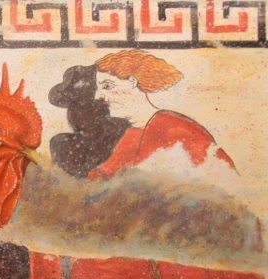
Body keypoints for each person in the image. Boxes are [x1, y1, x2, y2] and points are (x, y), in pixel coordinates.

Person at [87, 50, 237, 181]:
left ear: (132, 82)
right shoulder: (133, 134)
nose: (98, 96)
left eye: (107, 86)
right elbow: (104, 175)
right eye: (99, 89)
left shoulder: (171, 126)